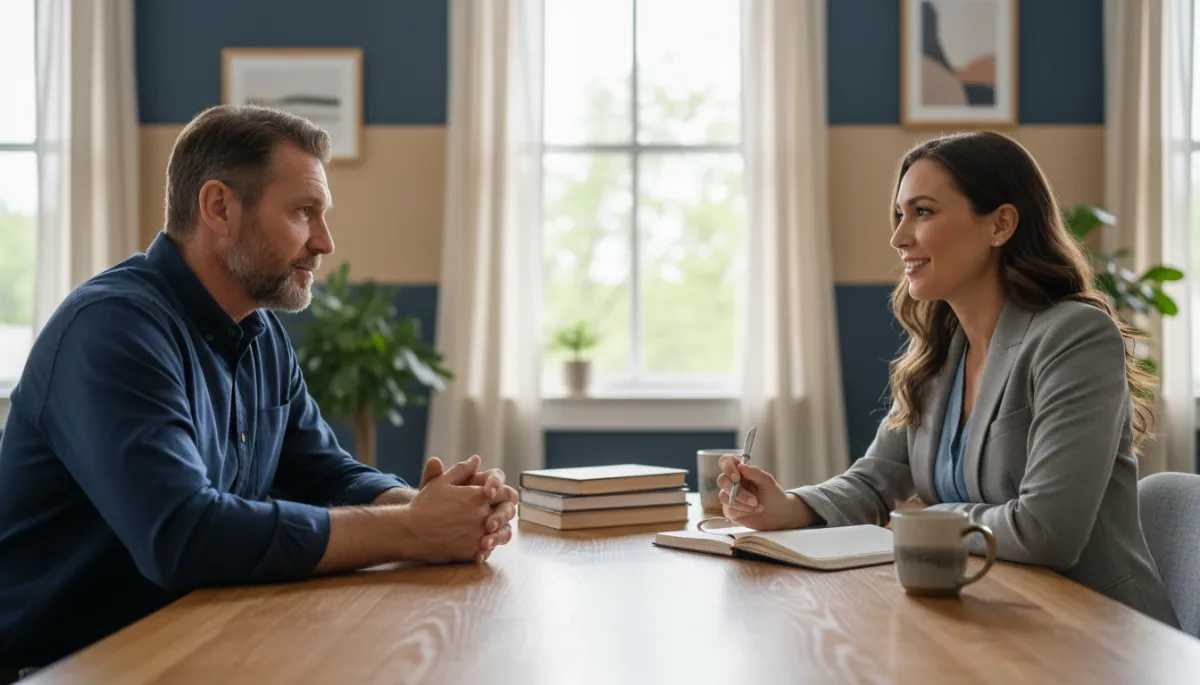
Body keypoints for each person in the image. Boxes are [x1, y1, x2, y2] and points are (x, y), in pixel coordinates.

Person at [0, 104, 519, 674]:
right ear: (219, 207)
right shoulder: (111, 329)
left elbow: (324, 472)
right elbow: (184, 535)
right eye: (303, 213)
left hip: (197, 639)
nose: (324, 242)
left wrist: (434, 507)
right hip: (65, 667)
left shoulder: (259, 329)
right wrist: (412, 530)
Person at [717, 131, 1181, 628]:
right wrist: (786, 508)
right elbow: (875, 483)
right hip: (993, 615)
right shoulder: (940, 352)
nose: (898, 238)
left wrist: (924, 522)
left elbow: (1047, 531)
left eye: (923, 212)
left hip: (1101, 633)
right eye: (900, 215)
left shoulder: (1074, 336)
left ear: (1000, 224)